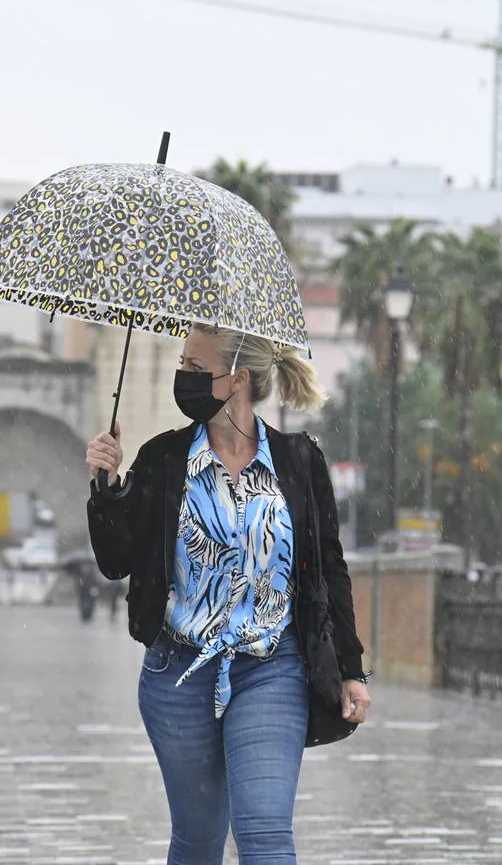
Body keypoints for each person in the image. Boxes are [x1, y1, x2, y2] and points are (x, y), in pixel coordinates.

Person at [85, 324, 370, 864]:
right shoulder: (163, 459)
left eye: (197, 367)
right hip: (177, 671)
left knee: (264, 831)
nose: (183, 376)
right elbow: (115, 560)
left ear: (237, 378)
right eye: (183, 363)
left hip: (272, 666)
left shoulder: (299, 460)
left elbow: (329, 570)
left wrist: (351, 668)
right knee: (197, 839)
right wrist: (104, 485)